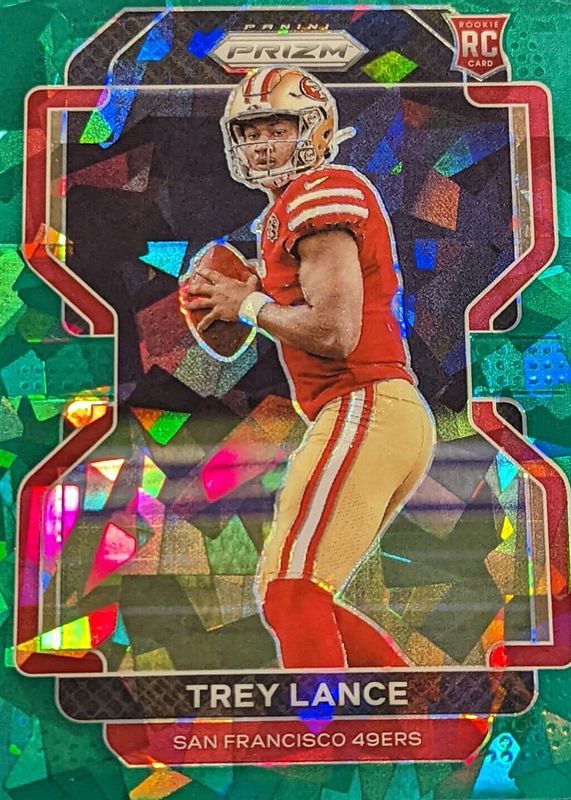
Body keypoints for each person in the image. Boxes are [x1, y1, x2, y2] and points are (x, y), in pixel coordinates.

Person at [179, 67, 435, 669]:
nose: (262, 144)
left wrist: (248, 304)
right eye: (250, 132)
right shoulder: (285, 212)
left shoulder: (320, 192)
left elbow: (335, 333)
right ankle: (425, 709)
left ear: (315, 130)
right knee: (293, 592)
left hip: (365, 405)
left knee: (291, 593)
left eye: (278, 128)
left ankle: (319, 720)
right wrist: (252, 292)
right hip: (374, 413)